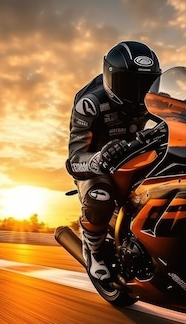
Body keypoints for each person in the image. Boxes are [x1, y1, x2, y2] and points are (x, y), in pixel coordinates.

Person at [65, 41, 167, 283]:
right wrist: (101, 157)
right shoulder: (89, 104)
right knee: (100, 195)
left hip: (136, 151)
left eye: (146, 84)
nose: (139, 92)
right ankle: (95, 252)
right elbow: (74, 159)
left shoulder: (152, 98)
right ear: (111, 80)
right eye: (130, 84)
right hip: (96, 165)